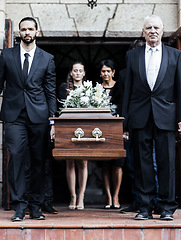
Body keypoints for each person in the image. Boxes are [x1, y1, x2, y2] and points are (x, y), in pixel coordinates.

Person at [122, 14, 181, 221]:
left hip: (166, 116)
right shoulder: (133, 56)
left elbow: (179, 90)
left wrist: (180, 117)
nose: (153, 31)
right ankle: (145, 207)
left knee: (167, 163)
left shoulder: (175, 55)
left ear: (163, 31)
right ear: (143, 31)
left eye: (156, 27)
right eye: (149, 28)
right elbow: (127, 90)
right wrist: (126, 121)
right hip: (140, 116)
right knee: (142, 163)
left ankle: (166, 207)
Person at [0, 17, 57, 221]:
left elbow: (50, 92)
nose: (27, 32)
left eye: (30, 29)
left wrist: (52, 121)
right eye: (23, 29)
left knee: (38, 161)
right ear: (19, 33)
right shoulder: (6, 55)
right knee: (16, 158)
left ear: (37, 32)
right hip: (14, 116)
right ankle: (18, 206)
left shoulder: (47, 58)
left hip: (39, 116)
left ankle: (35, 206)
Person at [57, 61, 88, 210]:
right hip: (68, 126)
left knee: (83, 163)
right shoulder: (64, 88)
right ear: (71, 72)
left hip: (85, 127)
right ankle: (72, 196)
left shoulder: (89, 88)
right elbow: (59, 108)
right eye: (74, 70)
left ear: (84, 73)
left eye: (80, 71)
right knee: (69, 162)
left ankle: (81, 196)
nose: (77, 73)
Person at [99, 59, 124, 209]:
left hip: (117, 129)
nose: (106, 74)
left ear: (113, 72)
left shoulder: (120, 87)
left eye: (108, 71)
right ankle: (108, 197)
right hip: (101, 129)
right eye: (103, 71)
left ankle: (116, 196)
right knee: (105, 165)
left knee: (118, 165)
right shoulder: (96, 88)